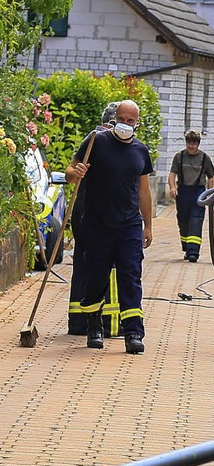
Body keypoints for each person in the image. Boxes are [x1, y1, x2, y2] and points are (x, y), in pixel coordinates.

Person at [65, 100, 153, 355]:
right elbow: (70, 172)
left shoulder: (140, 151)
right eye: (122, 119)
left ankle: (134, 332)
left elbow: (144, 191)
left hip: (128, 226)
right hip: (97, 224)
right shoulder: (96, 141)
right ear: (114, 118)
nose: (125, 124)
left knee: (130, 276)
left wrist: (148, 226)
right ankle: (94, 326)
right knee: (96, 277)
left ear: (137, 122)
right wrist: (76, 172)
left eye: (130, 121)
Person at [68, 102, 122, 337]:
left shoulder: (94, 139)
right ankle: (108, 323)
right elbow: (71, 172)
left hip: (87, 209)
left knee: (82, 263)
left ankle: (78, 322)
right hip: (96, 211)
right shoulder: (101, 140)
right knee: (108, 266)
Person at [168, 129, 214, 263]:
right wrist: (173, 187)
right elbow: (172, 174)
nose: (191, 146)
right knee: (183, 221)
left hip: (198, 193)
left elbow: (211, 176)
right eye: (189, 143)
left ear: (198, 144)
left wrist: (209, 193)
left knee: (196, 221)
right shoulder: (179, 157)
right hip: (183, 192)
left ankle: (193, 251)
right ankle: (186, 247)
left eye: (194, 143)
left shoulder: (205, 158)